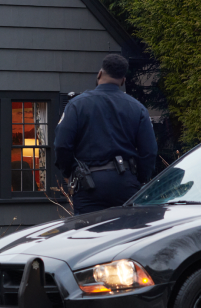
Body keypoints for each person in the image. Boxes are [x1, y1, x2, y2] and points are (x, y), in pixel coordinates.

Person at [55, 54, 158, 215]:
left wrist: (70, 173)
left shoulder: (76, 105)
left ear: (100, 74)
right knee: (126, 236)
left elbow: (62, 144)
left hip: (89, 184)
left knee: (89, 236)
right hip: (126, 184)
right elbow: (149, 151)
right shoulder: (137, 108)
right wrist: (139, 179)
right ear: (123, 80)